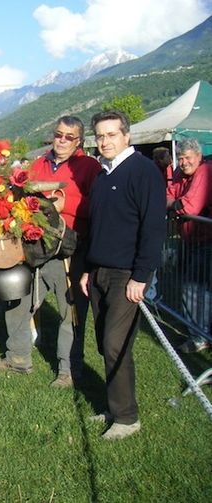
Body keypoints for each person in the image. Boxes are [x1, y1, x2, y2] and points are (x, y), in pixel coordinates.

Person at [0, 116, 101, 388]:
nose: (61, 140)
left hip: (69, 248)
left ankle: (68, 370)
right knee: (17, 301)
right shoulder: (39, 164)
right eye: (58, 134)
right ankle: (17, 357)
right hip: (35, 246)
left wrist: (65, 204)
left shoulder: (89, 167)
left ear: (79, 141)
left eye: (68, 137)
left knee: (69, 312)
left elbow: (96, 205)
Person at [80, 110, 166, 440]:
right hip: (100, 272)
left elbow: (154, 228)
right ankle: (116, 406)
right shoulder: (102, 175)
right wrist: (88, 270)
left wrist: (141, 276)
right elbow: (98, 228)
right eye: (100, 136)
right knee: (105, 344)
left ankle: (127, 418)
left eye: (111, 134)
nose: (105, 141)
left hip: (126, 275)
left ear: (126, 136)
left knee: (116, 344)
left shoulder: (143, 172)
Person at [166, 138, 212, 352]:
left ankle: (199, 336)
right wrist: (177, 205)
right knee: (192, 287)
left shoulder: (205, 171)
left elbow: (191, 207)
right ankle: (200, 333)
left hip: (206, 240)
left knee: (194, 288)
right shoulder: (179, 173)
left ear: (199, 157)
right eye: (181, 158)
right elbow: (167, 196)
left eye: (188, 158)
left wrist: (175, 205)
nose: (184, 163)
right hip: (190, 240)